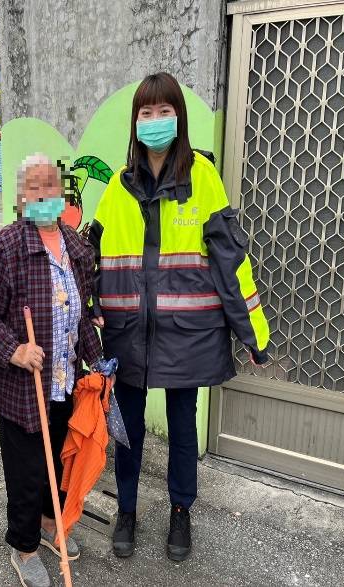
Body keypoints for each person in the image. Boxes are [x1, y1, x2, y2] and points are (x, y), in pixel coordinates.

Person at [88, 72, 270, 562]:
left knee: (183, 429)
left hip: (187, 334)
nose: (155, 120)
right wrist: (88, 313)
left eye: (164, 111)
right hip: (127, 334)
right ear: (135, 122)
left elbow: (231, 260)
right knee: (127, 430)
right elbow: (90, 255)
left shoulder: (203, 177)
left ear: (179, 118)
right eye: (145, 112)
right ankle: (126, 510)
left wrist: (254, 334)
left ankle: (180, 511)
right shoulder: (118, 185)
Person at [0, 155, 104, 587]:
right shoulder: (8, 247)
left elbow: (82, 316)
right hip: (21, 387)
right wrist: (14, 349)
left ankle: (48, 523)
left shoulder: (75, 246)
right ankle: (23, 545)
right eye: (35, 188)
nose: (45, 195)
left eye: (51, 186)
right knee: (26, 471)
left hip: (63, 380)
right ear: (22, 198)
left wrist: (98, 362)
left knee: (57, 461)